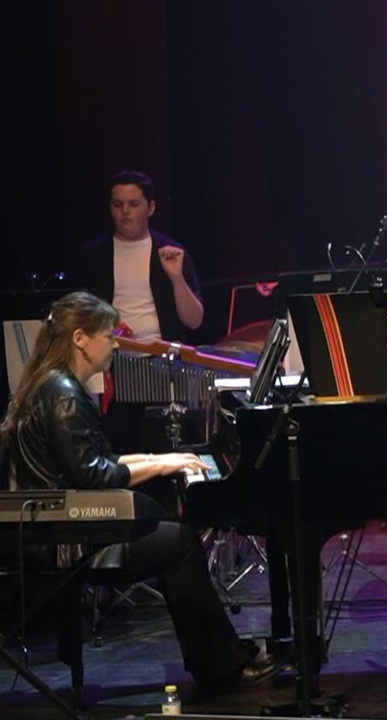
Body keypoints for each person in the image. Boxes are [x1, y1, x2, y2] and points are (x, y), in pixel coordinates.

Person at [0, 292, 280, 691]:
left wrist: (159, 457)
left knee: (172, 533)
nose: (115, 345)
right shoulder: (62, 394)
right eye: (108, 336)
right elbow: (96, 477)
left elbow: (97, 462)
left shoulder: (54, 385)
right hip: (64, 539)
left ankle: (217, 658)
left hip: (57, 526)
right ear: (80, 339)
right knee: (179, 542)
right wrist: (163, 465)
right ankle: (220, 667)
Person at [75, 170, 204, 342]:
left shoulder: (171, 252)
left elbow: (194, 321)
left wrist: (176, 278)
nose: (125, 211)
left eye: (134, 204)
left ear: (151, 208)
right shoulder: (94, 254)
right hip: (112, 353)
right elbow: (79, 316)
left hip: (161, 354)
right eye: (117, 204)